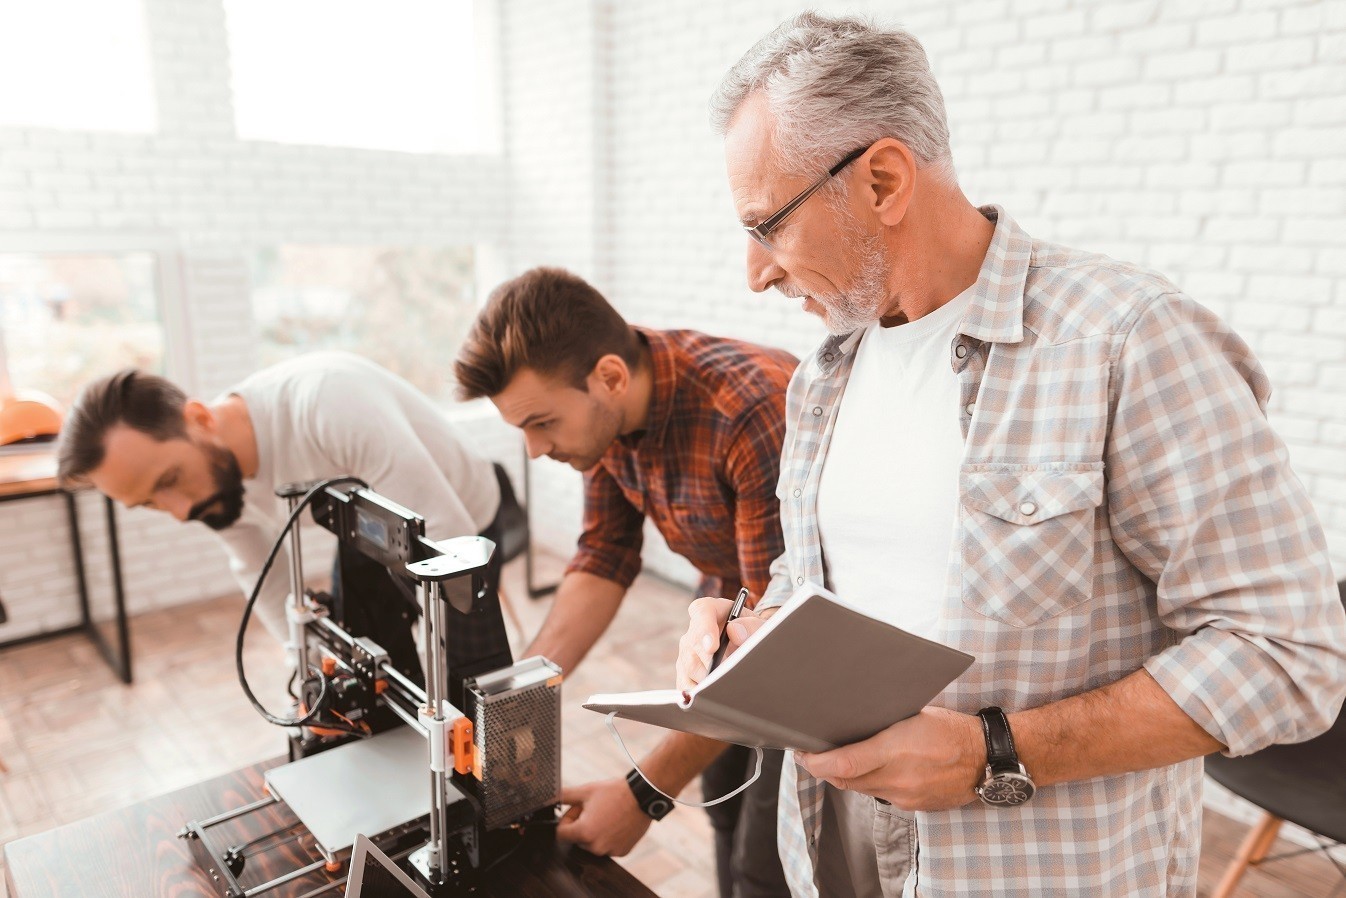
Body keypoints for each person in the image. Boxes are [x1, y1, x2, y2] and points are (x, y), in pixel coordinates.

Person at [674, 13, 1346, 898]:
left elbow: (1288, 655)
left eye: (767, 227)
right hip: (830, 838)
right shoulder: (824, 372)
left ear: (881, 181)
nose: (755, 273)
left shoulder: (1128, 340)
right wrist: (752, 628)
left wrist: (995, 750)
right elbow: (837, 579)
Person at [454, 267, 795, 898]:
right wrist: (509, 701)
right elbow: (606, 558)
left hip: (807, 647)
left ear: (609, 377)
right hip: (735, 614)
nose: (532, 450)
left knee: (766, 861)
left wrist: (643, 794)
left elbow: (774, 649)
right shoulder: (602, 422)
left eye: (542, 423)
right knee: (723, 807)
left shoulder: (749, 409)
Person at [55, 352, 516, 681]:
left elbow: (446, 535)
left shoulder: (327, 404)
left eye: (169, 479)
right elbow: (262, 573)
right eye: (150, 504)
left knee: (466, 686)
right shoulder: (215, 484)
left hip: (462, 524)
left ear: (199, 419)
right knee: (353, 669)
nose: (178, 512)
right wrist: (309, 671)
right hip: (369, 530)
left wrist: (437, 700)